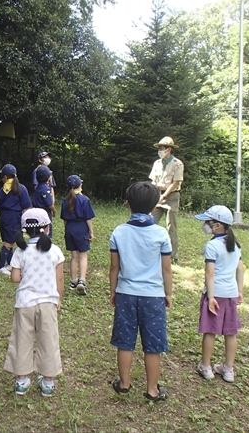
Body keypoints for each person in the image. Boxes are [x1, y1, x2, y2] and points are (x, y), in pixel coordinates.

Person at [109, 181, 173, 402]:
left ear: (127, 204)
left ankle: (124, 384)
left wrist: (113, 290)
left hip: (126, 293)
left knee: (125, 341)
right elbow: (166, 268)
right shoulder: (161, 234)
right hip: (153, 296)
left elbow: (114, 267)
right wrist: (168, 293)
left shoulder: (119, 232)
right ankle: (152, 390)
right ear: (155, 205)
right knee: (153, 344)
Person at [4, 208, 65, 397]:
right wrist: (59, 299)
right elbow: (60, 280)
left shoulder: (20, 251)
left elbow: (14, 278)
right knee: (48, 340)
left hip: (25, 303)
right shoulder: (55, 251)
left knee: (22, 340)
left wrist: (24, 274)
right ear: (47, 228)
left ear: (25, 230)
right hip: (48, 302)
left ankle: (22, 381)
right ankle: (47, 382)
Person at [195, 206, 244, 383]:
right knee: (231, 332)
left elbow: (210, 273)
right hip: (230, 293)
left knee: (210, 331)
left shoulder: (212, 245)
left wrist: (211, 297)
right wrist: (239, 291)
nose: (205, 226)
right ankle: (228, 369)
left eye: (207, 223)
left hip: (216, 294)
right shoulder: (235, 244)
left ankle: (206, 366)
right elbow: (240, 268)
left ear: (216, 226)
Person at [149, 136, 184, 264]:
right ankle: (150, 250)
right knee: (150, 221)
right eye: (159, 148)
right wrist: (154, 194)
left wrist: (164, 196)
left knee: (171, 226)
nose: (159, 150)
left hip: (172, 196)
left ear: (169, 149)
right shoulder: (157, 163)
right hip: (158, 194)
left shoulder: (177, 163)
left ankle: (173, 255)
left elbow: (175, 183)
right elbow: (153, 180)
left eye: (162, 148)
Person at [60, 175, 95, 295]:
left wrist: (68, 230)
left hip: (69, 227)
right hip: (81, 227)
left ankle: (73, 281)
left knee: (74, 256)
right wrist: (91, 231)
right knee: (83, 255)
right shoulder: (84, 199)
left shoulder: (65, 200)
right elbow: (88, 218)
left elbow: (64, 219)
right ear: (80, 185)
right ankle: (82, 280)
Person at [0, 164, 32, 275]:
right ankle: (0, 267)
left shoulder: (2, 190)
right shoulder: (21, 188)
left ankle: (10, 264)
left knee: (9, 240)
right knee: (8, 242)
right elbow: (26, 206)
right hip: (15, 217)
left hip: (4, 216)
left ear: (5, 177)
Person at [32, 165, 57, 237]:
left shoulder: (39, 187)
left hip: (36, 212)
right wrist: (54, 211)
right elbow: (50, 204)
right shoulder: (45, 189)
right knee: (46, 231)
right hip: (44, 213)